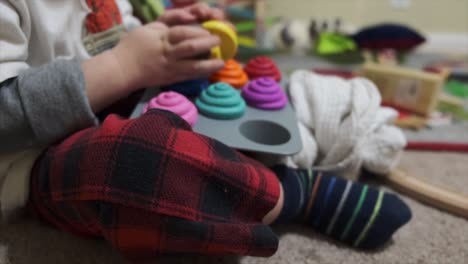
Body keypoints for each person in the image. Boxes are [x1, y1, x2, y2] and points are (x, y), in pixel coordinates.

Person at [0, 0, 411, 262]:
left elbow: (108, 41)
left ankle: (232, 158)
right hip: (33, 160)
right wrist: (124, 65)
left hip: (115, 103)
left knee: (202, 87)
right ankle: (290, 192)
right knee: (141, 163)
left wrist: (165, 33)